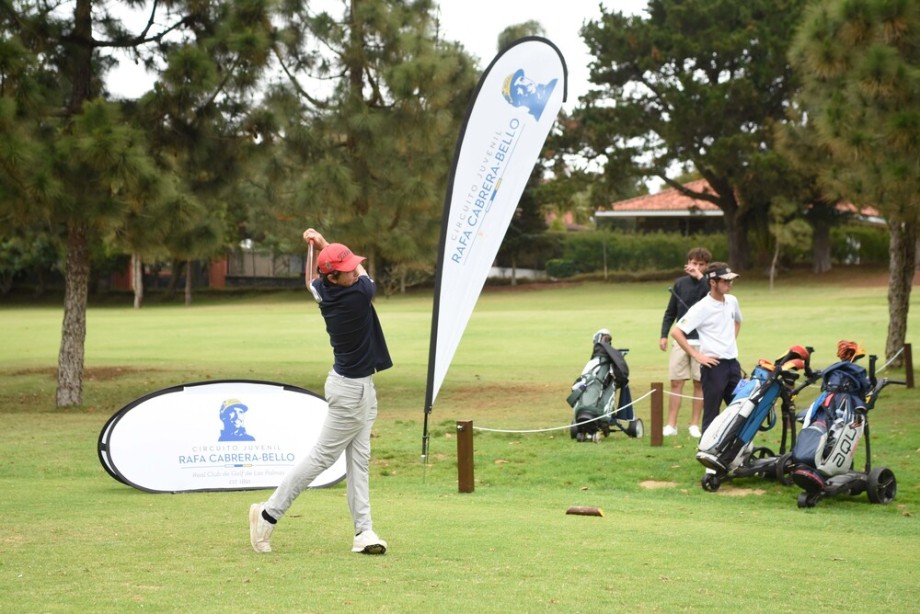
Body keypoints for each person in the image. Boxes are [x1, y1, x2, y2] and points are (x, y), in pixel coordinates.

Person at [248, 228, 393, 555]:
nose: (355, 269)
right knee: (322, 457)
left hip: (357, 387)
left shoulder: (323, 290)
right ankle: (268, 513)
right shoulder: (358, 295)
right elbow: (364, 277)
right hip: (351, 392)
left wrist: (318, 247)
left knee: (359, 460)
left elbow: (310, 279)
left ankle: (364, 532)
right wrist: (323, 243)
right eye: (347, 269)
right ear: (334, 277)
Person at [670, 262, 743, 434]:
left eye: (730, 281)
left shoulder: (732, 301)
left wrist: (729, 341)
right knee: (711, 414)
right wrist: (696, 355)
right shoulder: (702, 307)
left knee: (740, 410)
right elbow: (677, 332)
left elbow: (737, 321)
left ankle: (737, 449)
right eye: (725, 281)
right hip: (713, 366)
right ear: (712, 282)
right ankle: (707, 451)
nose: (729, 284)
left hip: (733, 365)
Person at [659, 247, 711, 437]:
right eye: (693, 263)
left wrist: (701, 278)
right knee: (676, 381)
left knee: (699, 383)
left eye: (700, 264)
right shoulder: (680, 284)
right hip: (681, 340)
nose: (696, 267)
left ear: (706, 267)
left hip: (703, 341)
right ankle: (671, 425)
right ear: (687, 263)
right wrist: (664, 335)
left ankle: (694, 425)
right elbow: (670, 312)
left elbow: (711, 298)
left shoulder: (709, 284)